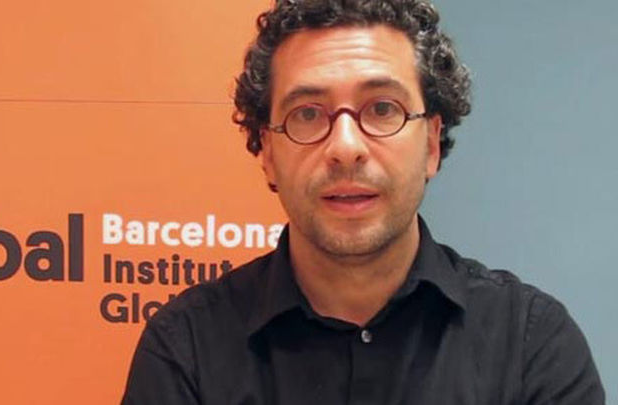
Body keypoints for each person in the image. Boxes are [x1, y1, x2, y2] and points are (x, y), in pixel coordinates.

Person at [122, 0, 605, 403]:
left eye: (382, 108)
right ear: (267, 152)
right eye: (307, 113)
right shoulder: (186, 350)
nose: (345, 146)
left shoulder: (531, 347)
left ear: (431, 144)